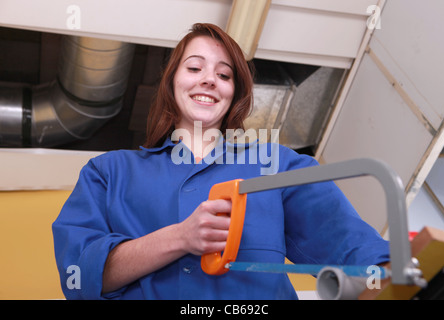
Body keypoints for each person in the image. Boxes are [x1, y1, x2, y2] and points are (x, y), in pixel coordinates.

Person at [52, 23, 390, 300]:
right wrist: (181, 238)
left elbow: (344, 238)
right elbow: (80, 276)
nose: (209, 79)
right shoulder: (109, 172)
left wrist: (391, 270)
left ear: (234, 95)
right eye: (194, 67)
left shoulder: (276, 164)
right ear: (172, 82)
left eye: (225, 75)